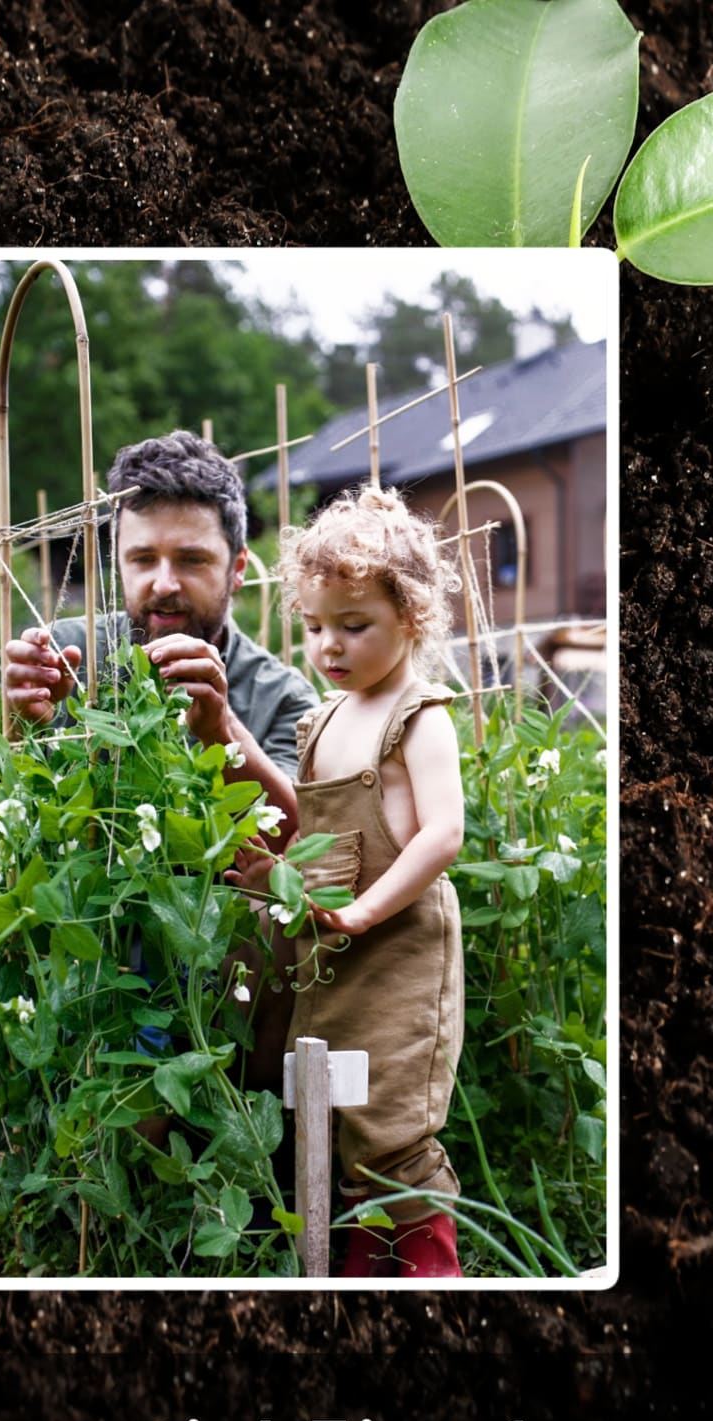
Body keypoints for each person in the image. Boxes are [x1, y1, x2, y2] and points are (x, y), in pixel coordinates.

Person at [277, 485, 466, 1280]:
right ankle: (357, 1265)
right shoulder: (323, 719)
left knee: (392, 1118)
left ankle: (429, 1268)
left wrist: (365, 911)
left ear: (411, 617)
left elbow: (442, 835)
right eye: (315, 626)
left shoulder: (418, 717)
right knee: (333, 1110)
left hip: (398, 954)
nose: (331, 645)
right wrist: (276, 871)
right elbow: (315, 832)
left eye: (355, 626)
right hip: (331, 956)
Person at [4, 430, 318, 831]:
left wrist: (220, 733)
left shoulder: (282, 699)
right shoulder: (64, 657)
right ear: (119, 563)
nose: (165, 584)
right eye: (143, 559)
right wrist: (17, 728)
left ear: (237, 568)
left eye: (192, 560)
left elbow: (291, 841)